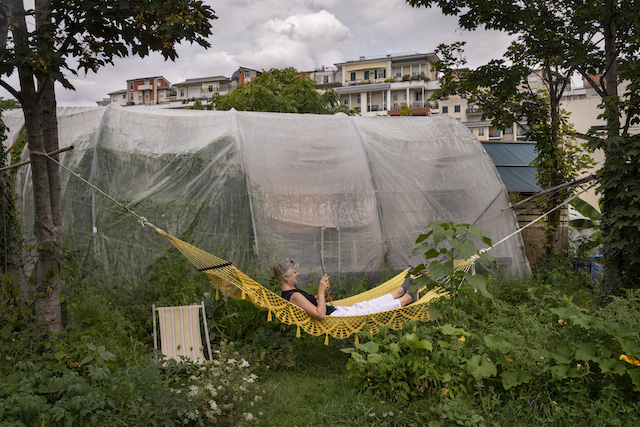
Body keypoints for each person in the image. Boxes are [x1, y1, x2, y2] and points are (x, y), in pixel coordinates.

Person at [274, 258, 415, 320]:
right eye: (294, 272)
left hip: (335, 312)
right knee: (369, 311)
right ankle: (406, 299)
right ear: (285, 277)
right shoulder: (293, 296)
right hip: (333, 318)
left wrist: (319, 295)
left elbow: (311, 303)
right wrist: (321, 292)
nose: (298, 274)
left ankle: (400, 291)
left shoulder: (291, 293)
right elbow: (320, 315)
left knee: (366, 305)